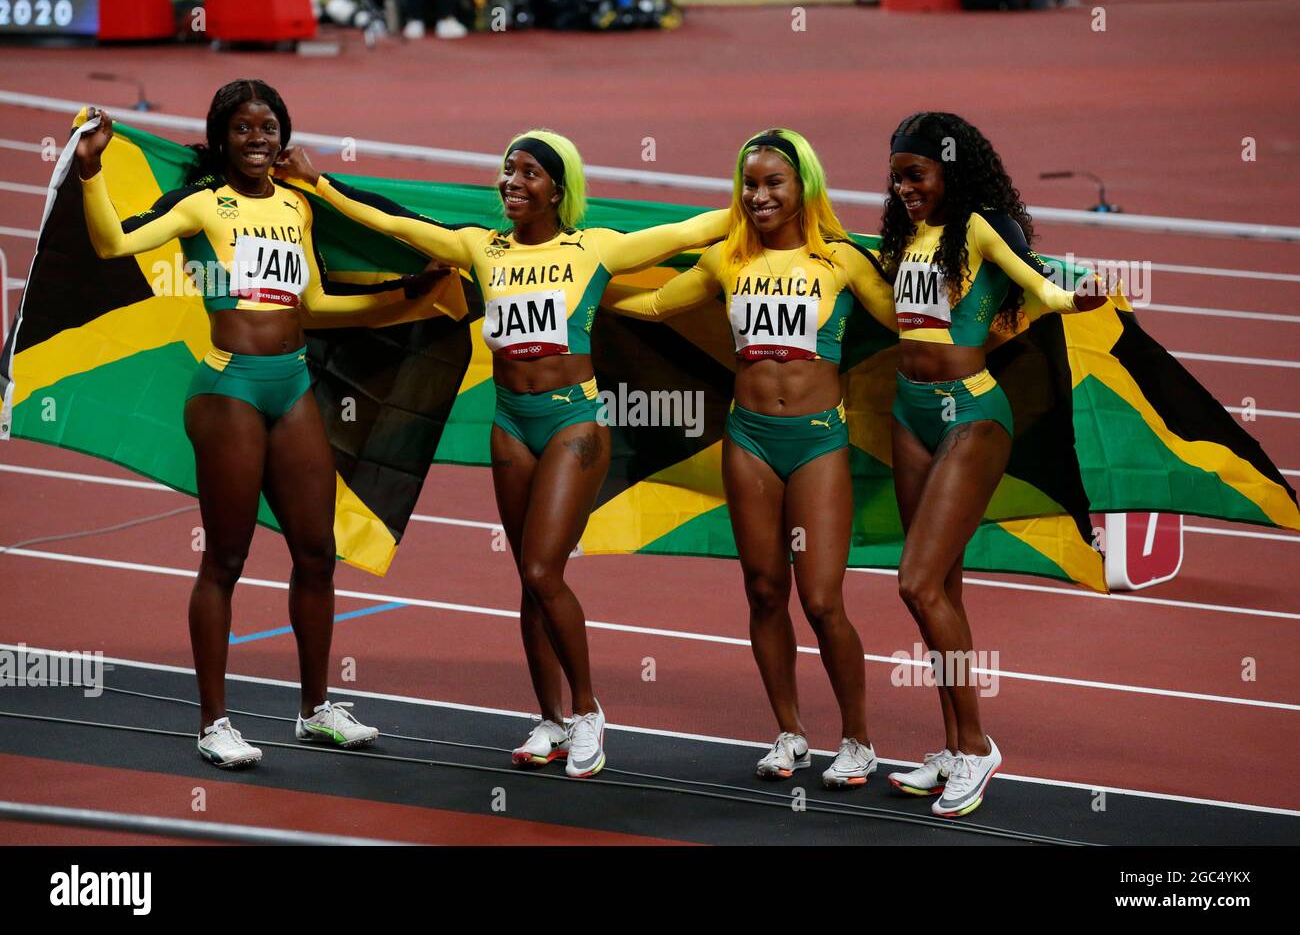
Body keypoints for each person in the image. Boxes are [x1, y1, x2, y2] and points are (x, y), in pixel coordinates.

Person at [275, 132, 728, 777]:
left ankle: (589, 712)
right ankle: (549, 719)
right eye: (508, 171)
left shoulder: (595, 248)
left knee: (545, 571)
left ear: (558, 188)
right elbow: (394, 221)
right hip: (511, 426)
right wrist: (318, 184)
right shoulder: (479, 248)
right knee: (528, 578)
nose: (512, 182)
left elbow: (687, 233)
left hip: (574, 422)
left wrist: (761, 201)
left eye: (529, 173)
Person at [75, 80, 441, 769]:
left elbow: (314, 306)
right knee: (226, 559)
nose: (257, 140)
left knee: (316, 552)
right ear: (221, 139)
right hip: (229, 389)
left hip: (294, 382)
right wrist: (92, 169)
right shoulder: (199, 205)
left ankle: (314, 710)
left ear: (284, 135)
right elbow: (111, 245)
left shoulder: (297, 206)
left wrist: (399, 297)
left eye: (268, 128)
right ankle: (215, 722)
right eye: (242, 129)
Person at [607, 129, 897, 787]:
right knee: (765, 591)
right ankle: (789, 732)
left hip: (819, 439)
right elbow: (653, 306)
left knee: (822, 600)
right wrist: (577, 296)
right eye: (750, 183)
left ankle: (858, 739)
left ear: (804, 189)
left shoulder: (844, 261)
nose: (758, 194)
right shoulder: (726, 262)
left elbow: (909, 323)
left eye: (773, 183)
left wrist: (1016, 303)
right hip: (750, 441)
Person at [877, 111, 1110, 816]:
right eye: (897, 178)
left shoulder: (978, 228)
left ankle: (977, 748)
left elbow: (1032, 283)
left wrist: (1071, 299)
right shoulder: (905, 237)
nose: (905, 189)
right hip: (910, 412)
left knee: (914, 585)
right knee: (942, 586)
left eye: (916, 175)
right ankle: (951, 745)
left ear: (951, 169)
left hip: (970, 413)